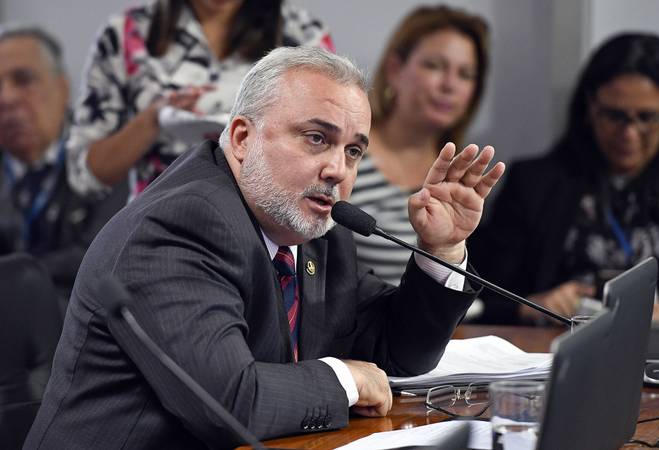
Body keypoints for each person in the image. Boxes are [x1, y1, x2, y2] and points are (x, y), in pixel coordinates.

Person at [25, 46, 504, 448]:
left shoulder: (314, 228)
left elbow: (398, 352)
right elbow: (229, 402)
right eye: (317, 138)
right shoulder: (181, 224)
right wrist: (344, 378)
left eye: (353, 151)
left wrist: (442, 248)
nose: (338, 169)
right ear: (241, 137)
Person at [471, 33, 659, 325]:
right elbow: (478, 296)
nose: (629, 133)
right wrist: (533, 306)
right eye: (614, 116)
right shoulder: (534, 184)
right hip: (548, 352)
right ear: (590, 108)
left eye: (646, 118)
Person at [66, 0, 333, 201]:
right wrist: (152, 120)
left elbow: (329, 150)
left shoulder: (303, 36)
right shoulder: (127, 34)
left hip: (265, 234)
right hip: (156, 228)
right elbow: (85, 175)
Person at [349, 5, 489, 285]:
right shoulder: (348, 150)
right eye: (434, 66)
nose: (450, 85)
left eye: (465, 74)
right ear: (394, 70)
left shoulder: (462, 178)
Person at [0, 25, 125, 307]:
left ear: (62, 88)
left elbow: (103, 259)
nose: (6, 99)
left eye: (23, 79)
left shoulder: (107, 155)